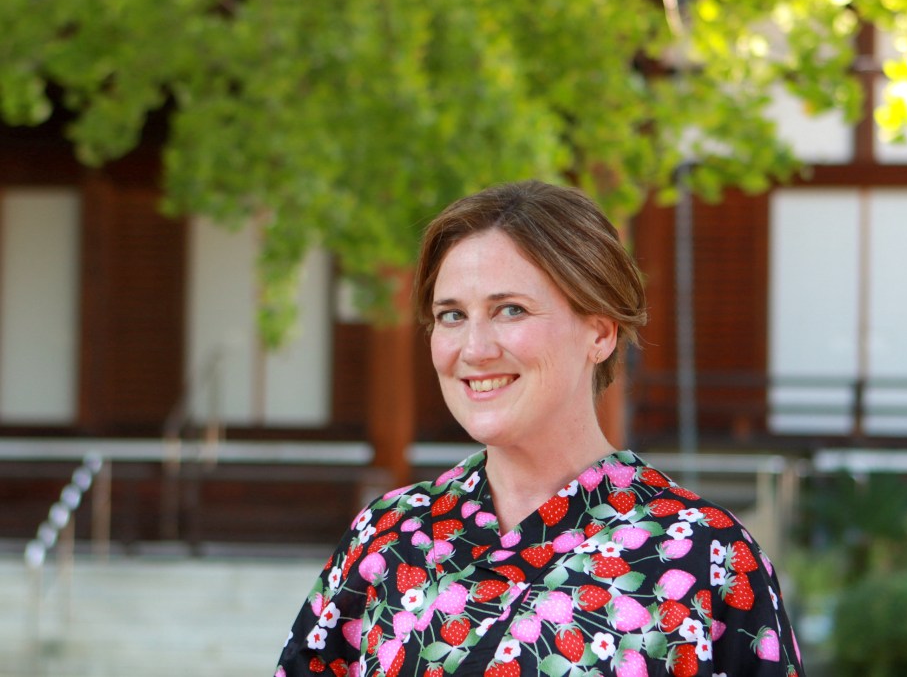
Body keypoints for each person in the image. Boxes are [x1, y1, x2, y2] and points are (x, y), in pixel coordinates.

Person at [276, 181, 805, 676]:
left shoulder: (706, 557)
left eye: (510, 310)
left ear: (599, 332)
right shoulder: (387, 537)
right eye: (452, 315)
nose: (475, 349)